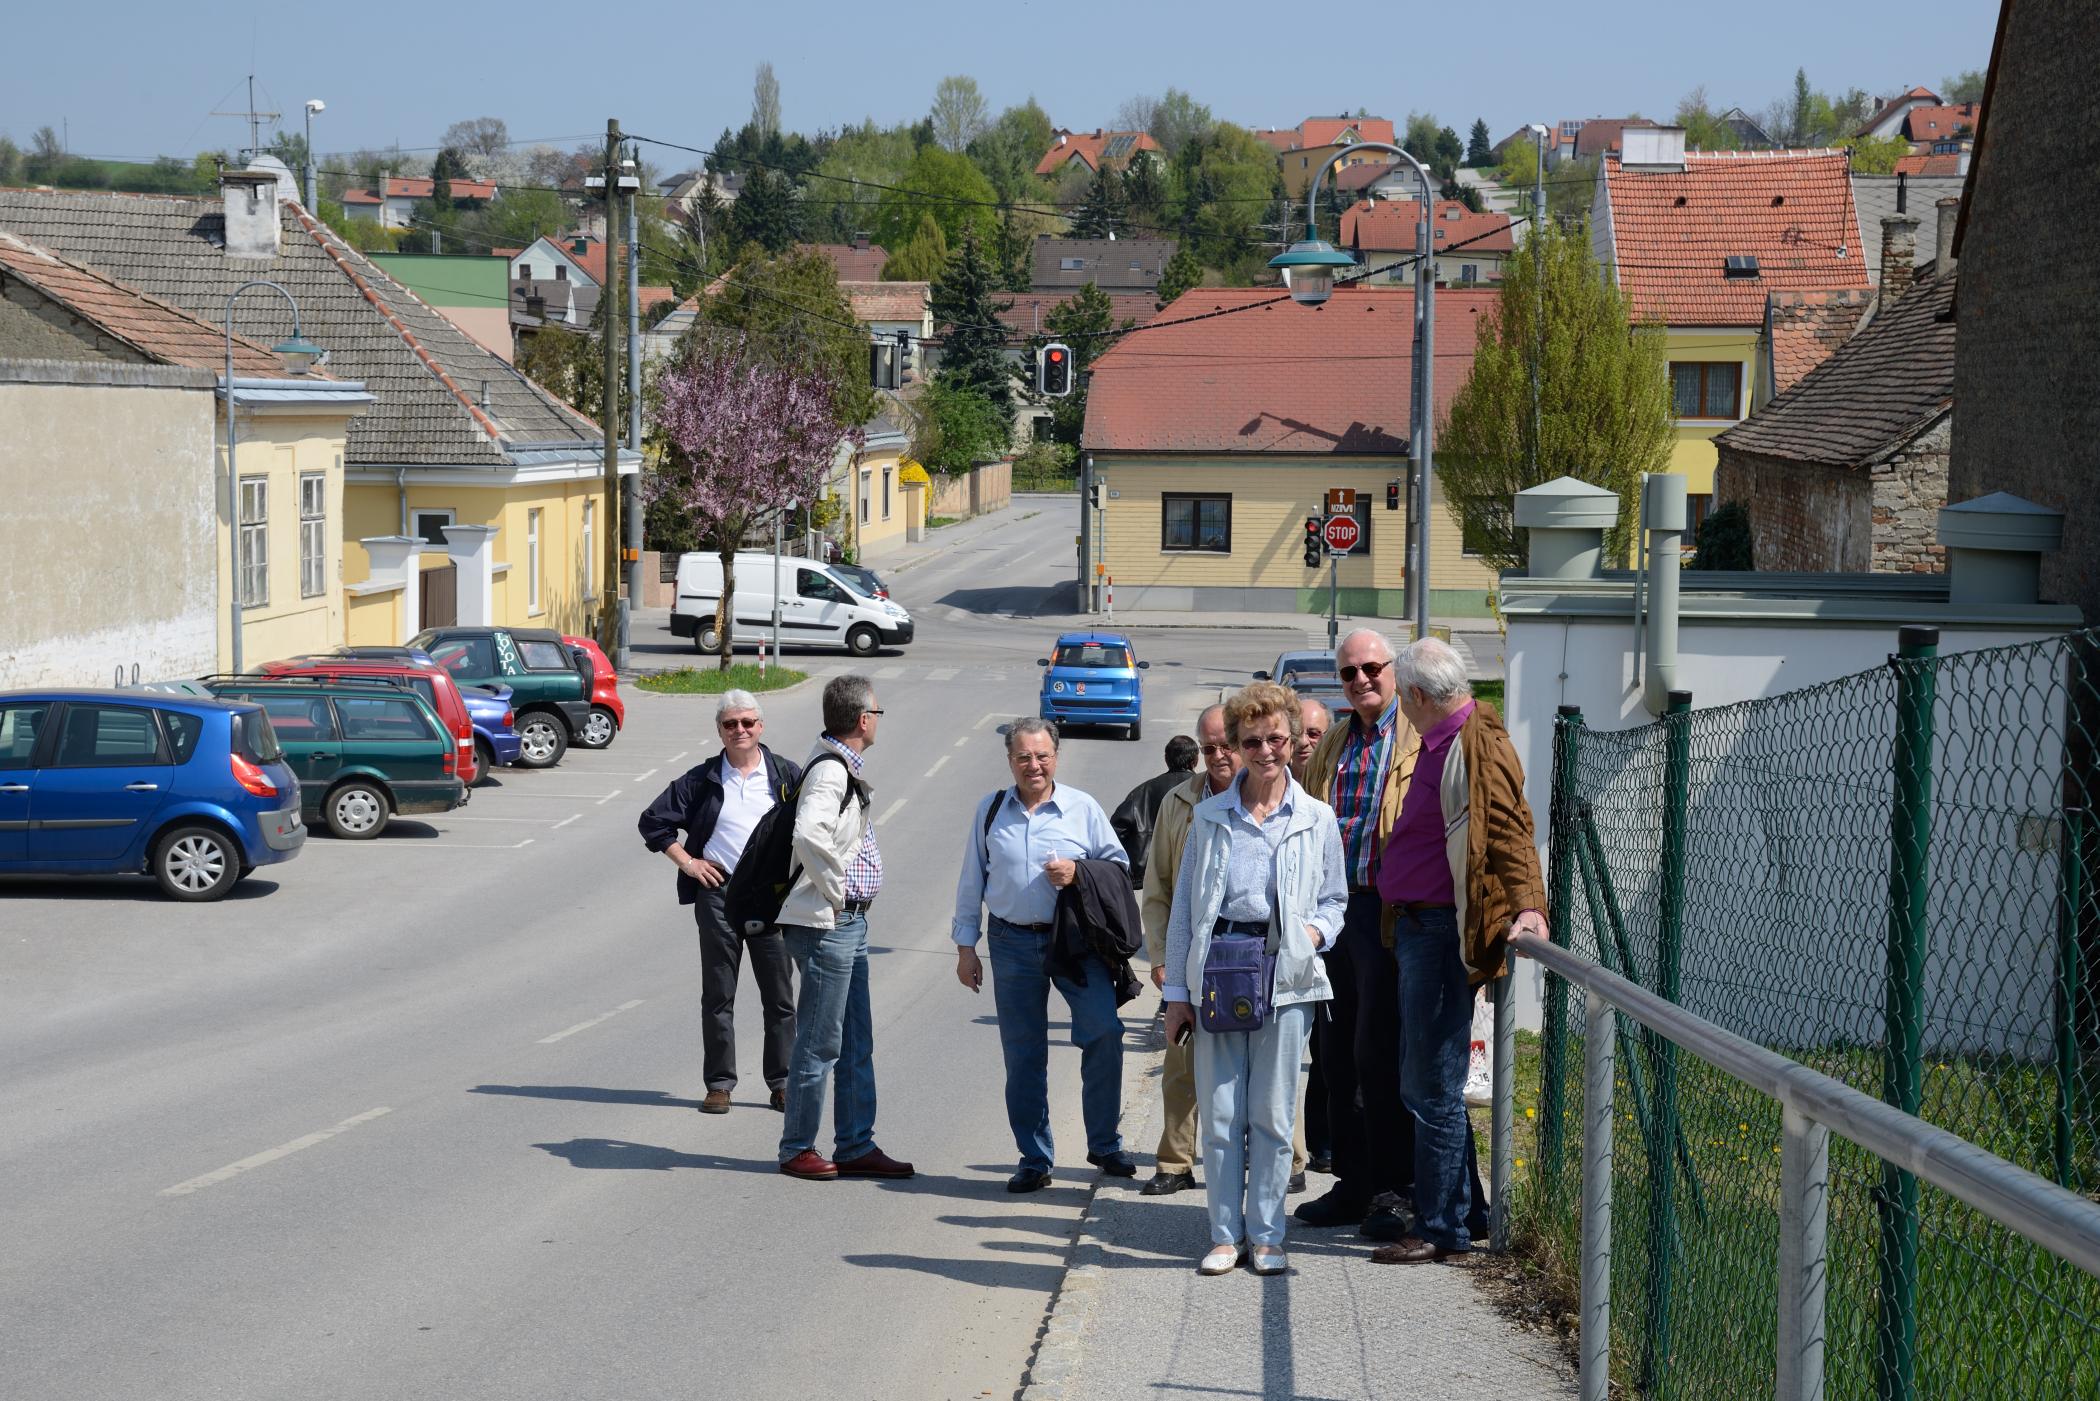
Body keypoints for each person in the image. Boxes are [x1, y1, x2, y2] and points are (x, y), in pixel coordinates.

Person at [1162, 683, 1345, 1275]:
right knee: (1220, 1113)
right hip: (1219, 969)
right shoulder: (1209, 817)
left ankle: (1266, 1235)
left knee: (1271, 1113)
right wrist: (1176, 996)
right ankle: (1224, 1235)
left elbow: (1335, 900)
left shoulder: (1316, 818)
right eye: (1252, 741)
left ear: (1293, 741)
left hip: (1286, 974)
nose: (1265, 750)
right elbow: (1185, 911)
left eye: (1276, 739)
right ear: (1237, 746)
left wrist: (1311, 934)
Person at [1372, 638, 1546, 1263]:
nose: (1400, 703)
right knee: (1432, 1081)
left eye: (1401, 694)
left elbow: (1510, 830)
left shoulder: (1476, 741)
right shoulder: (1442, 737)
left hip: (1442, 930)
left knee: (1429, 1085)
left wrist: (1530, 906)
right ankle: (1466, 1212)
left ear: (1417, 695)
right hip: (1420, 926)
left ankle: (1441, 1227)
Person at [952, 717, 1136, 1192]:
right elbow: (972, 880)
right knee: (1023, 1054)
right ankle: (1034, 1158)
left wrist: (1079, 871)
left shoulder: (1082, 807)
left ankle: (1105, 1143)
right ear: (1010, 760)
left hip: (1075, 942)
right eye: (1023, 757)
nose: (1033, 765)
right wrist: (965, 948)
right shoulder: (991, 809)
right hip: (1011, 942)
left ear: (1056, 757)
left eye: (1042, 756)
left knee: (1104, 1031)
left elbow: (1119, 866)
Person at [1297, 629, 1420, 1242]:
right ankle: (1353, 1183)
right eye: (1349, 673)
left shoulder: (1418, 735)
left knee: (1380, 1055)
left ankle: (1396, 1190)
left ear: (1393, 669)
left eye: (1372, 668)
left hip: (1388, 916)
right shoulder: (1337, 740)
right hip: (1332, 914)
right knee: (1335, 1055)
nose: (1362, 680)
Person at [776, 676, 914, 1183]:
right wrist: (836, 893)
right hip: (828, 924)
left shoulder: (840, 765)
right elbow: (809, 833)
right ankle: (797, 1148)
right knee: (819, 1041)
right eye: (877, 712)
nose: (878, 720)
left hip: (850, 923)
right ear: (862, 719)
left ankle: (856, 1144)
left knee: (856, 1039)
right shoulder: (831, 772)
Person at [637, 691, 801, 1114]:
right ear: (719, 730)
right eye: (731, 724)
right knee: (718, 995)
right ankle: (719, 1085)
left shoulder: (786, 775)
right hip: (719, 896)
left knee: (780, 997)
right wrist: (689, 863)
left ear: (760, 726)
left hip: (771, 899)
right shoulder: (703, 779)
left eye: (747, 722)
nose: (739, 730)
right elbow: (653, 822)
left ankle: (783, 1082)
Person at [1138, 704, 1239, 1197]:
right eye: (1209, 747)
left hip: (1249, 953)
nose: (1218, 756)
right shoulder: (1179, 801)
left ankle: (1288, 1160)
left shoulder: (1267, 794)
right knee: (1180, 1063)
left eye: (1227, 745)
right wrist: (1160, 956)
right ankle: (1175, 1162)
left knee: (1263, 1070)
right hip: (1191, 954)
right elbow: (1157, 886)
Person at [1287, 696, 1333, 1175]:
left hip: (1326, 939)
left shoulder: (1333, 791)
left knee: (1327, 1050)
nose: (1304, 742)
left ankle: (1323, 1143)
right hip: (1276, 952)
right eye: (1297, 733)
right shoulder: (1262, 786)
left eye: (1314, 734)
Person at [1111, 735, 1200, 887]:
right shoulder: (1205, 788)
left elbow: (1115, 831)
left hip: (1153, 875)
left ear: (1166, 759)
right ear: (1195, 761)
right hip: (1195, 872)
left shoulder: (1142, 791)